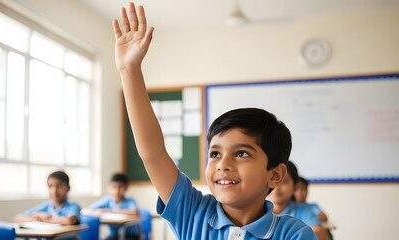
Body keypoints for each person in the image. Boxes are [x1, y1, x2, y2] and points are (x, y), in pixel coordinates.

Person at [113, 2, 317, 239]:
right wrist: (129, 69)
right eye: (215, 154)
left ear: (274, 175)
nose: (223, 164)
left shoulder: (294, 234)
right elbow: (153, 154)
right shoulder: (192, 212)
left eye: (241, 153)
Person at [267, 161, 328, 240]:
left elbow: (320, 233)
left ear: (294, 187)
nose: (277, 186)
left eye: (284, 181)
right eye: (272, 179)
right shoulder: (256, 211)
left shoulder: (303, 211)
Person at [13, 171, 81, 225]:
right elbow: (17, 218)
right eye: (50, 186)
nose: (54, 191)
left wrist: (47, 219)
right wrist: (36, 218)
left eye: (59, 186)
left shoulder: (73, 206)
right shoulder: (47, 205)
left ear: (68, 188)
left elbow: (70, 221)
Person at [85, 173, 139, 240]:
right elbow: (86, 210)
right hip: (114, 236)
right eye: (114, 187)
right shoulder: (107, 200)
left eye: (120, 187)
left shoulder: (130, 200)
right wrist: (98, 212)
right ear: (109, 188)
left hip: (130, 235)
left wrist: (111, 211)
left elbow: (135, 212)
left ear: (126, 188)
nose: (117, 191)